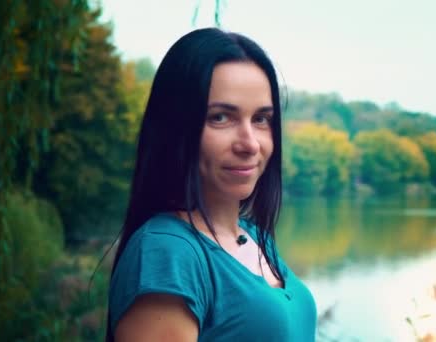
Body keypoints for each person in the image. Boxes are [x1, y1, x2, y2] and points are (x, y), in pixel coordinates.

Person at [105, 28, 317, 342]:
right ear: (176, 128)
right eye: (220, 117)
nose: (250, 144)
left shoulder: (254, 237)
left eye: (261, 119)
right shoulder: (168, 253)